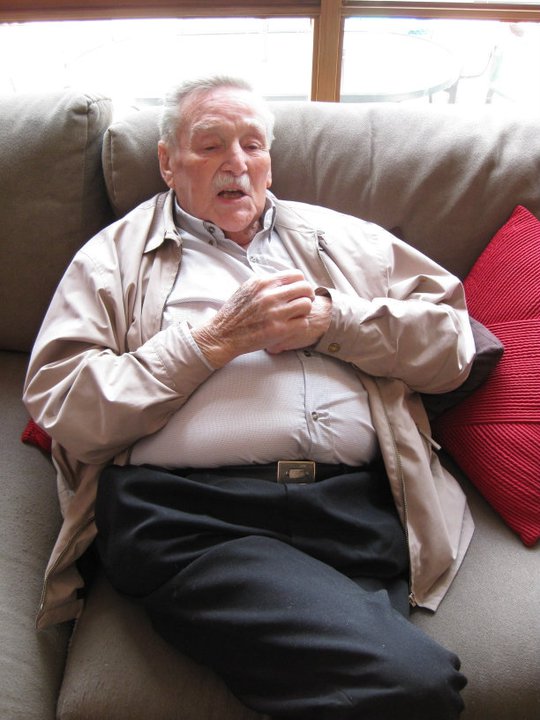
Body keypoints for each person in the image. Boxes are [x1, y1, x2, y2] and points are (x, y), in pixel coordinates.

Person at [24, 75, 476, 719]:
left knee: (357, 690)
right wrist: (212, 341)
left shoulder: (346, 240)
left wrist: (333, 320)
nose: (236, 162)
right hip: (191, 517)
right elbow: (64, 404)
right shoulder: (111, 259)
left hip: (350, 510)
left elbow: (452, 346)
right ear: (168, 163)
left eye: (253, 145)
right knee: (413, 682)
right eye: (211, 145)